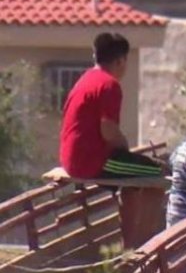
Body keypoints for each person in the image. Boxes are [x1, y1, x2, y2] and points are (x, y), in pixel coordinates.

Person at [60, 32, 162, 179]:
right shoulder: (109, 85)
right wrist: (124, 148)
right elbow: (108, 131)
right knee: (160, 172)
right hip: (90, 162)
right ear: (120, 61)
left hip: (70, 159)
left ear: (96, 57)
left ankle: (129, 202)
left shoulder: (85, 79)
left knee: (134, 168)